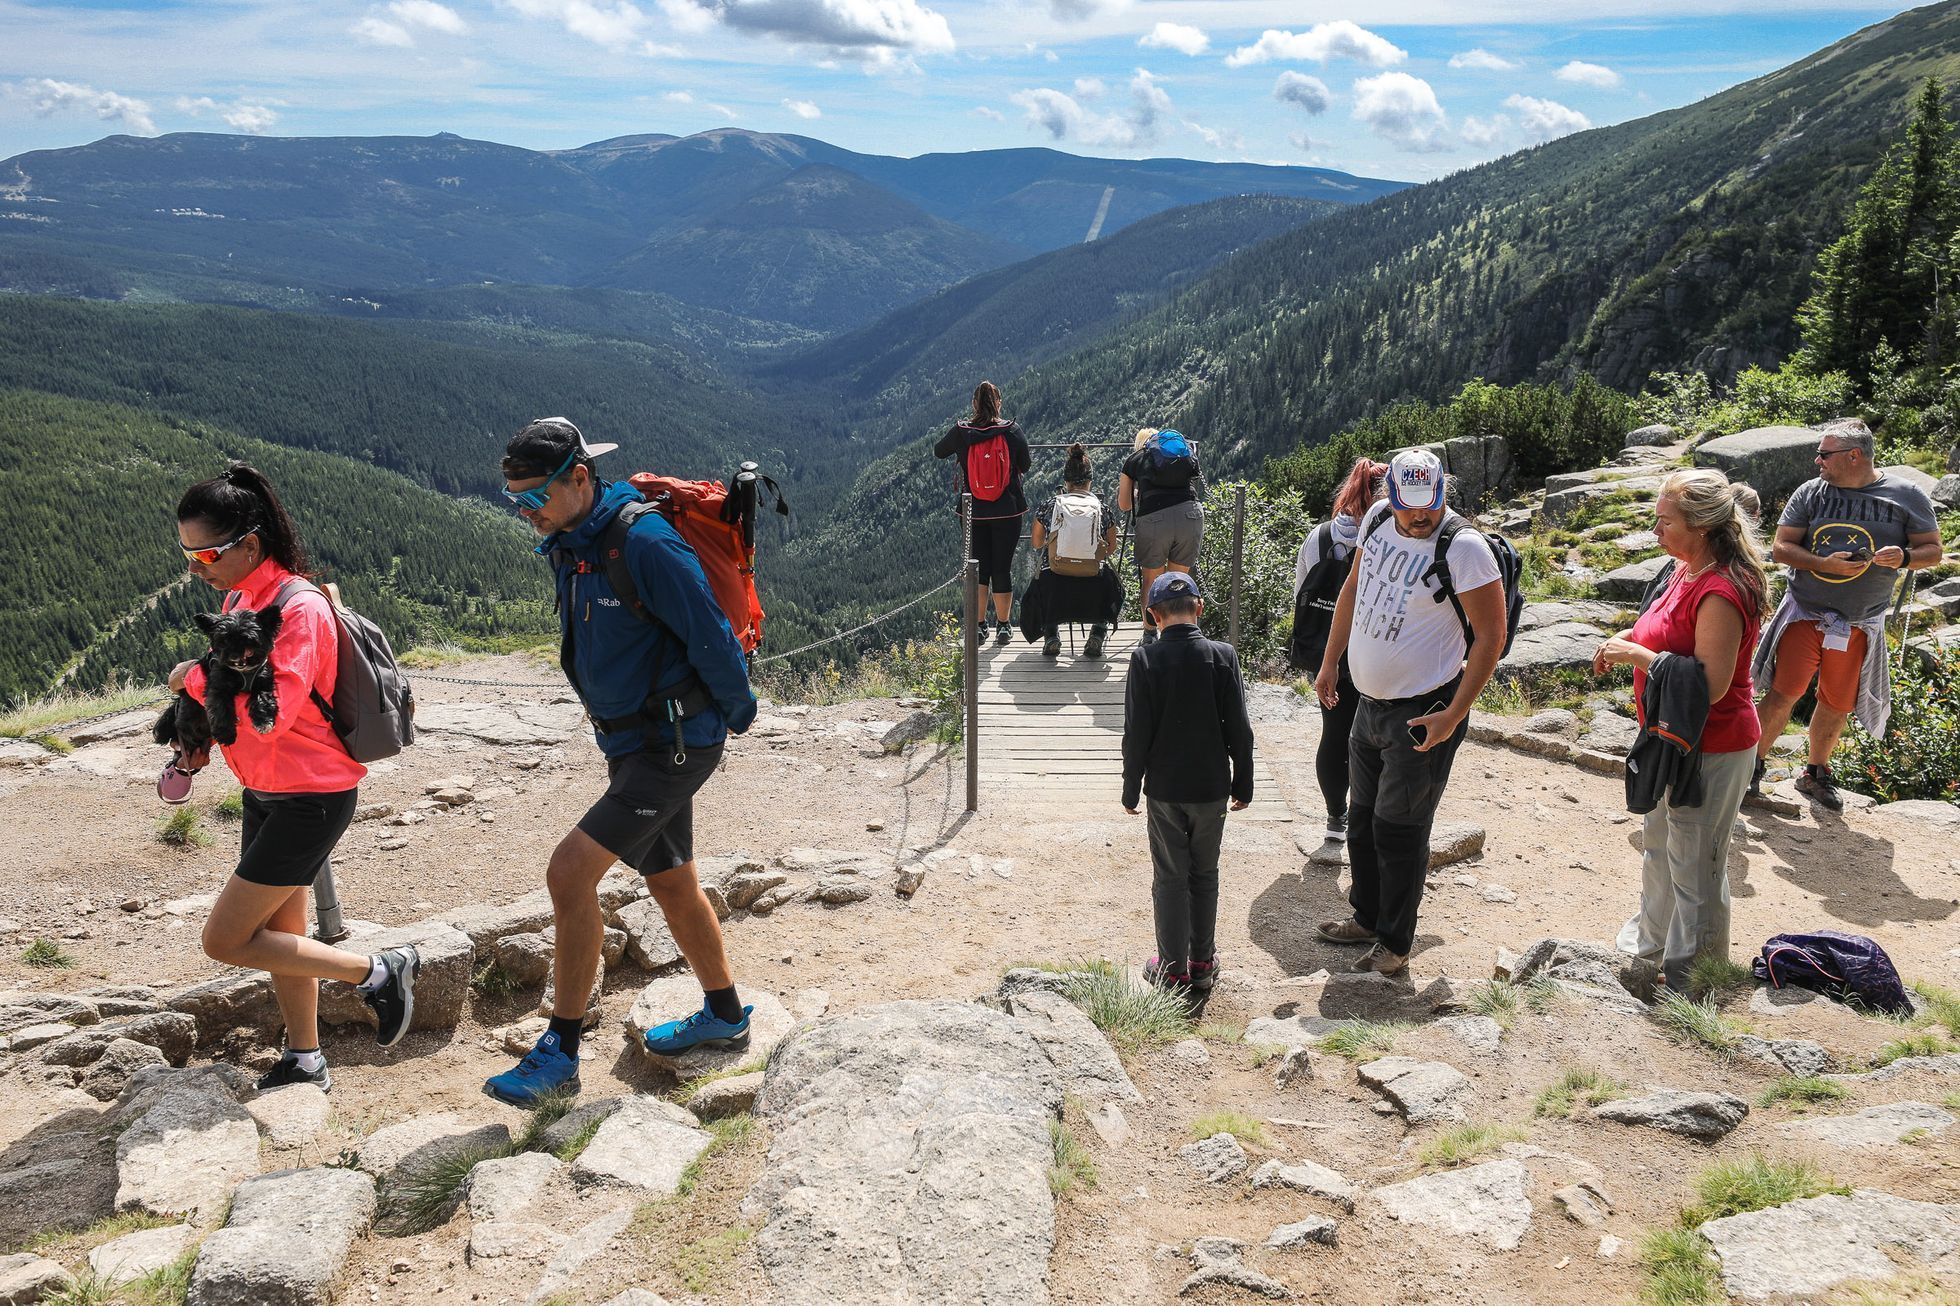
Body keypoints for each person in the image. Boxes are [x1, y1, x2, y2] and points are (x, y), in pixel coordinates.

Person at [484, 418, 758, 1107]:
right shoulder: (572, 540)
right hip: (635, 743)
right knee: (670, 881)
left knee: (568, 873)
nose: (526, 514)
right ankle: (724, 1014)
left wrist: (736, 713)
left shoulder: (645, 542)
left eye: (533, 497)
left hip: (671, 745)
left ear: (580, 476)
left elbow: (710, 634)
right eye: (515, 501)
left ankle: (561, 1051)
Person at [167, 463, 418, 1092]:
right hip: (267, 789)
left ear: (250, 544)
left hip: (311, 794)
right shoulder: (238, 598)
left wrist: (189, 679)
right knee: (284, 934)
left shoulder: (298, 607)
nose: (196, 567)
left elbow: (270, 714)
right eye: (186, 553)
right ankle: (306, 1059)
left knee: (226, 939)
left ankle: (379, 972)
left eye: (206, 553)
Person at [1312, 449, 1506, 976]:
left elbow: (1491, 637)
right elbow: (1354, 589)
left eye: (1430, 504)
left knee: (1401, 829)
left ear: (1443, 491)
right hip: (1368, 703)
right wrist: (1331, 662)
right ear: (1390, 496)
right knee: (1364, 822)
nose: (1420, 516)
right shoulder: (1376, 520)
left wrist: (1453, 714)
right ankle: (1367, 918)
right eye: (1409, 506)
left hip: (1424, 709)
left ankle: (1396, 944)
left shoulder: (1465, 549)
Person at [1593, 470, 1769, 994]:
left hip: (1712, 747)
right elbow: (1663, 629)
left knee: (1697, 865)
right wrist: (1628, 635)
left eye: (1664, 522)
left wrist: (1636, 654)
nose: (1655, 531)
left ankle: (1694, 978)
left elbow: (1711, 685)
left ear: (1703, 525)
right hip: (1669, 739)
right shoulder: (1685, 568)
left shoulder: (1721, 589)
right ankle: (1650, 948)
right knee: (1659, 845)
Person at [1750, 423, 1940, 809]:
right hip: (1806, 612)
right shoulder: (1811, 492)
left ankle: (1815, 773)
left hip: (1859, 621)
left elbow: (1933, 551)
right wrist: (1824, 564)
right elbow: (1782, 548)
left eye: (1825, 454)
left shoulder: (1906, 495)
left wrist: (1904, 557)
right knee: (1784, 693)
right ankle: (1749, 768)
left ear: (1854, 456)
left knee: (1838, 703)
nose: (1817, 460)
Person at [1120, 573, 1254, 992]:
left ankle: (1172, 968)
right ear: (1199, 608)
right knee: (1205, 873)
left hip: (1164, 789)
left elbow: (1136, 733)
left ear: (1152, 616)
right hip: (1212, 786)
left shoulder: (1145, 661)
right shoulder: (1223, 655)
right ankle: (1202, 962)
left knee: (1170, 875)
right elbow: (1240, 727)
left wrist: (1130, 787)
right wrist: (1244, 782)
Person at [1291, 457, 1390, 851]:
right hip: (1377, 650)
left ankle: (1336, 818)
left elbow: (1301, 593)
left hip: (1325, 652)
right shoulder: (1392, 539)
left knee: (1334, 733)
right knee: (1381, 736)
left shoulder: (1319, 537)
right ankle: (1376, 817)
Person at [935, 381, 1032, 648]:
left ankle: (978, 627)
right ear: (998, 403)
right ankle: (1003, 626)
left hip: (973, 511)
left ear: (974, 404)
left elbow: (938, 450)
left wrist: (962, 445)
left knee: (977, 569)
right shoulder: (1011, 430)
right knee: (1002, 568)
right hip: (1008, 511)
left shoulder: (962, 432)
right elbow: (1025, 463)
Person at [1027, 441, 1121, 659]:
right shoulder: (1102, 508)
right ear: (1090, 480)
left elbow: (1036, 543)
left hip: (1056, 580)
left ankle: (1051, 634)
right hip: (1092, 581)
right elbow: (1111, 547)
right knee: (1109, 579)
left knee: (1042, 574)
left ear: (1066, 481)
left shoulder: (1050, 505)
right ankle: (1097, 633)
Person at [1119, 427, 1203, 644]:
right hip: (1190, 515)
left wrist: (1139, 493)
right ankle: (1180, 637)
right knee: (1180, 580)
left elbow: (1124, 504)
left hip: (1155, 520)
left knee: (1152, 580)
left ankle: (1149, 635)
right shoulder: (1182, 457)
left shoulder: (1135, 460)